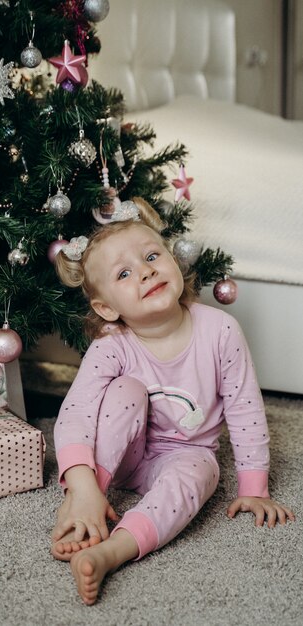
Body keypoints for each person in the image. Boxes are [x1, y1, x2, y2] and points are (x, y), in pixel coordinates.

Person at [51, 197, 295, 605]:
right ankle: (86, 503)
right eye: (125, 273)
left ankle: (113, 550)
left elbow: (244, 408)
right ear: (106, 308)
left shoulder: (220, 331)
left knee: (201, 475)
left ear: (174, 263)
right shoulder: (113, 345)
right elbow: (74, 415)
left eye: (152, 256)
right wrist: (83, 486)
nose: (146, 271)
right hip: (121, 454)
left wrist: (255, 485)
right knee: (124, 391)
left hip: (185, 452)